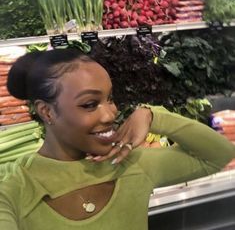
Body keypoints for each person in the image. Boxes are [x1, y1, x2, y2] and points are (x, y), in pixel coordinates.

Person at [1, 48, 235, 230]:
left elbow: (218, 154)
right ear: (47, 112)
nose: (110, 114)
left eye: (110, 99)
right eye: (90, 104)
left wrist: (152, 116)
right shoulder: (14, 189)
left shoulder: (131, 163)